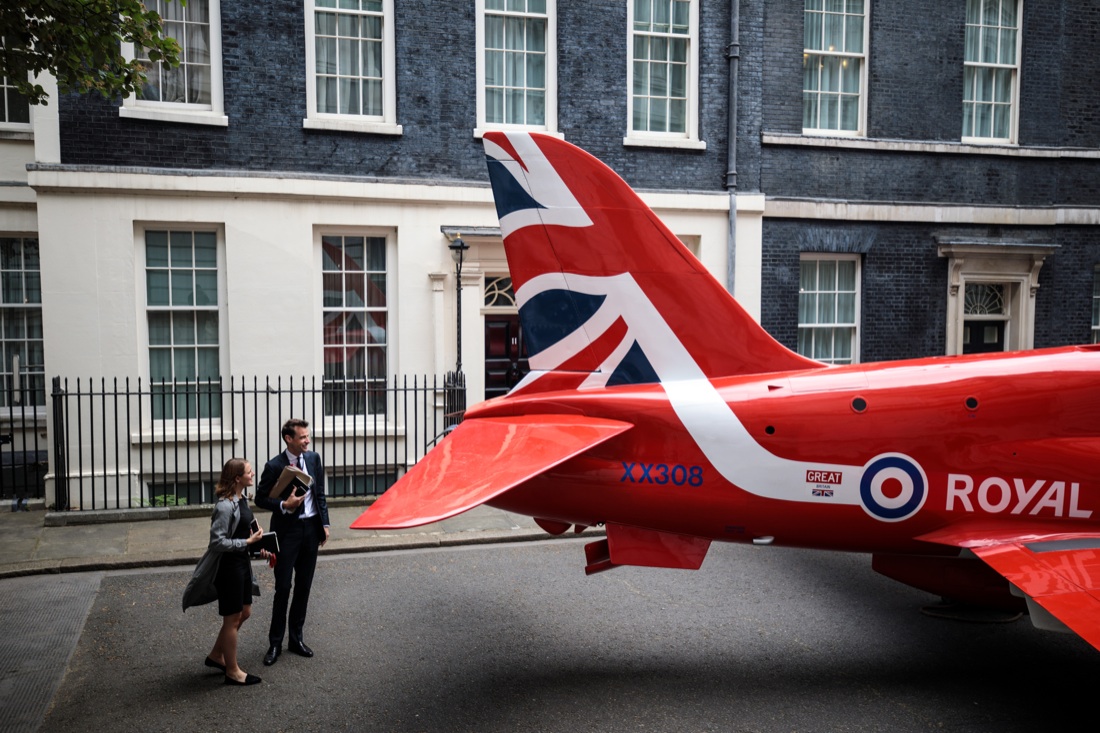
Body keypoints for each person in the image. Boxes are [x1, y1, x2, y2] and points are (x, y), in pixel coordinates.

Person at [183, 457, 271, 686]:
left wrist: (260, 547)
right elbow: (217, 542)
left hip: (242, 564)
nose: (253, 475)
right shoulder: (224, 506)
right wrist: (246, 542)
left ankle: (216, 655)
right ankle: (232, 671)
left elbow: (244, 534)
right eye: (249, 472)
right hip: (228, 569)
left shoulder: (242, 499)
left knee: (245, 612)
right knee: (232, 619)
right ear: (237, 478)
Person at [255, 418, 330, 666]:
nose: (307, 440)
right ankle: (275, 643)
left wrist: (325, 524)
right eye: (302, 437)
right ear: (289, 439)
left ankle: (295, 639)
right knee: (283, 588)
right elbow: (261, 499)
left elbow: (319, 494)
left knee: (304, 587)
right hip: (287, 534)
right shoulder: (274, 465)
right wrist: (283, 505)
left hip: (311, 530)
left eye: (308, 436)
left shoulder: (314, 459)